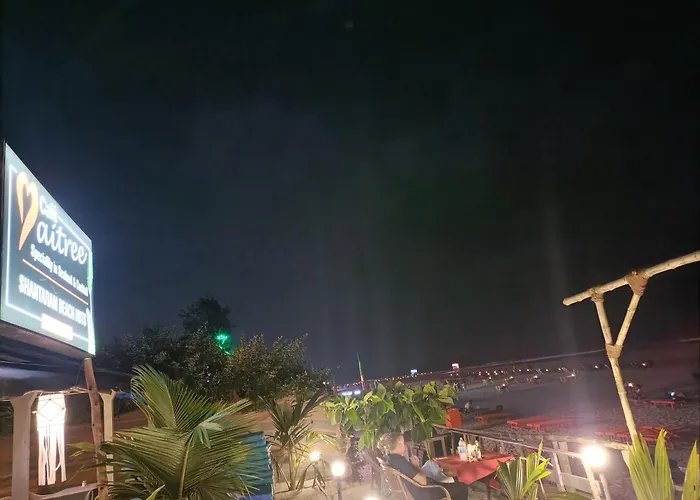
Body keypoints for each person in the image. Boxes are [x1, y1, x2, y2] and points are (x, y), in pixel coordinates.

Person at [380, 432, 469, 500]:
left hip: (414, 491)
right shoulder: (400, 462)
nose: (405, 446)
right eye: (403, 443)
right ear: (399, 443)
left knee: (445, 481)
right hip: (423, 494)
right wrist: (416, 465)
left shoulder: (391, 459)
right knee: (462, 487)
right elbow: (423, 482)